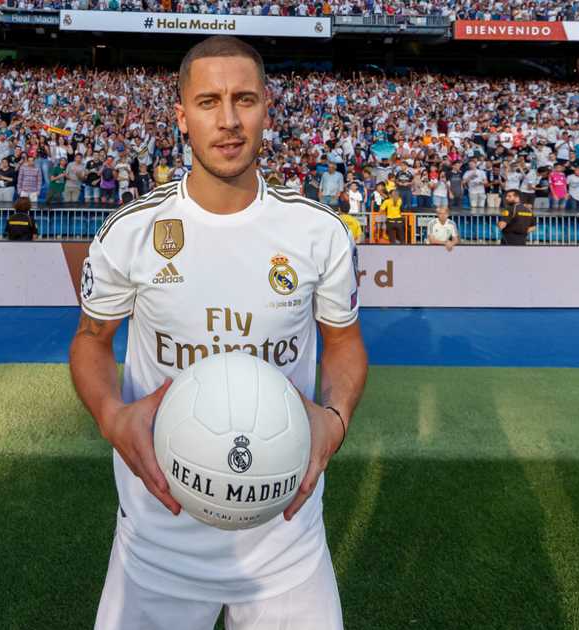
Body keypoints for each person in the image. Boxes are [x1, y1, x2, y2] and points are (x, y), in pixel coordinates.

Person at [71, 36, 366, 630]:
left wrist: (333, 420)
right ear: (182, 116)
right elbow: (91, 341)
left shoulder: (319, 233)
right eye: (208, 101)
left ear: (266, 109)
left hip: (287, 547)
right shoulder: (133, 231)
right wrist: (110, 414)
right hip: (156, 549)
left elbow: (344, 344)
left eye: (244, 99)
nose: (228, 121)